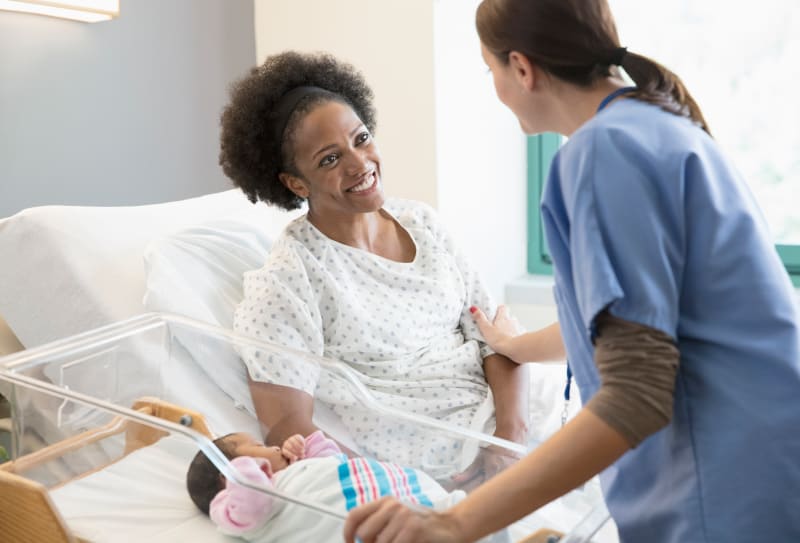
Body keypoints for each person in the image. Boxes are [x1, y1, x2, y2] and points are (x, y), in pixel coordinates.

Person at [343, 1, 800, 542]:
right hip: (767, 465)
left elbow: (637, 391)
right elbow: (639, 320)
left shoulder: (601, 154)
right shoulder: (659, 126)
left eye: (490, 70)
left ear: (521, 68)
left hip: (726, 495)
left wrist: (453, 521)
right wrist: (513, 347)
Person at [220, 51, 530, 484]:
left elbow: (498, 341)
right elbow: (288, 428)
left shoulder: (423, 224)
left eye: (361, 138)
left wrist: (508, 440)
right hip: (429, 467)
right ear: (295, 183)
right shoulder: (290, 280)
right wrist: (407, 488)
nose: (359, 163)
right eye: (329, 159)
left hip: (510, 423)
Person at [186, 430, 465, 542]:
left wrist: (306, 448)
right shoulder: (238, 507)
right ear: (229, 475)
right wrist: (240, 471)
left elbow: (336, 464)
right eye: (258, 446)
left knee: (464, 517)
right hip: (375, 529)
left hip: (413, 498)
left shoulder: (298, 471)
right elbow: (250, 496)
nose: (271, 446)